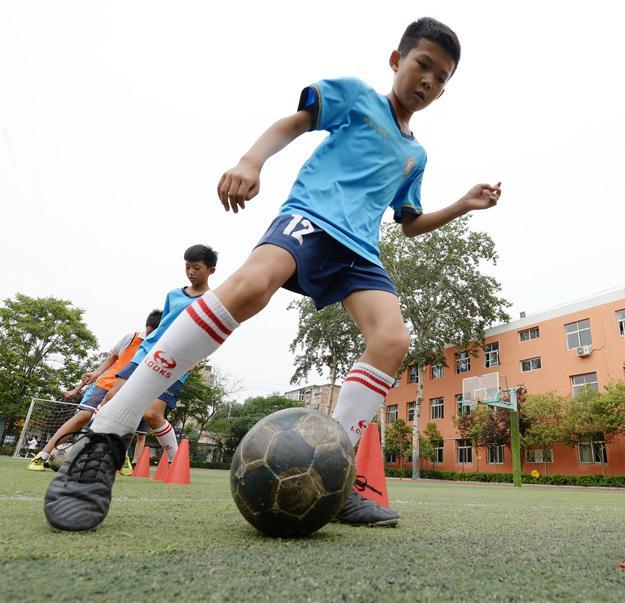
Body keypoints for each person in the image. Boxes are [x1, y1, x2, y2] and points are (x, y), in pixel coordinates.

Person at [44, 17, 499, 532]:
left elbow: (410, 223)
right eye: (423, 65)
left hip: (360, 251)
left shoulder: (416, 155)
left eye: (442, 79)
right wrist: (250, 161)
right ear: (396, 60)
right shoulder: (355, 96)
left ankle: (337, 472)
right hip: (310, 218)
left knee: (392, 339)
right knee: (251, 287)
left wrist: (463, 204)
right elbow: (293, 123)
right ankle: (105, 434)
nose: (429, 82)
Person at [97, 244, 218, 465]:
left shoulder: (212, 300)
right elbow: (163, 326)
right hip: (148, 351)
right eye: (187, 267)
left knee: (152, 414)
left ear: (211, 270)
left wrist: (196, 359)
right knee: (112, 397)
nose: (190, 272)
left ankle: (176, 463)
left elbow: (208, 334)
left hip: (177, 359)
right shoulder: (173, 295)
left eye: (196, 268)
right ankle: (90, 448)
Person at [27, 309, 162, 472]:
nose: (151, 334)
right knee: (84, 415)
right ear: (147, 326)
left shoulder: (160, 346)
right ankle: (42, 455)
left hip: (132, 392)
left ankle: (120, 458)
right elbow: (113, 356)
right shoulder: (131, 338)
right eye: (150, 330)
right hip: (108, 384)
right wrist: (97, 373)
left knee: (124, 425)